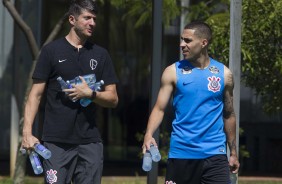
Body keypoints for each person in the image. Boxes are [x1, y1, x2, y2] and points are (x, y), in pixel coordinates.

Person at [21, 0, 118, 183]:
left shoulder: (100, 54)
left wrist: (90, 94)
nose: (92, 23)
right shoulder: (51, 51)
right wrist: (27, 132)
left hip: (90, 142)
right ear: (72, 20)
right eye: (87, 18)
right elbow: (35, 95)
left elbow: (113, 98)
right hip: (56, 143)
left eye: (94, 19)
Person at [142, 21, 240, 184]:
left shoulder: (224, 74)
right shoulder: (172, 71)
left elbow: (229, 114)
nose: (182, 45)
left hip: (215, 154)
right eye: (181, 39)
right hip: (182, 153)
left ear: (203, 43)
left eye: (187, 40)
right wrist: (148, 134)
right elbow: (159, 108)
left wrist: (234, 153)